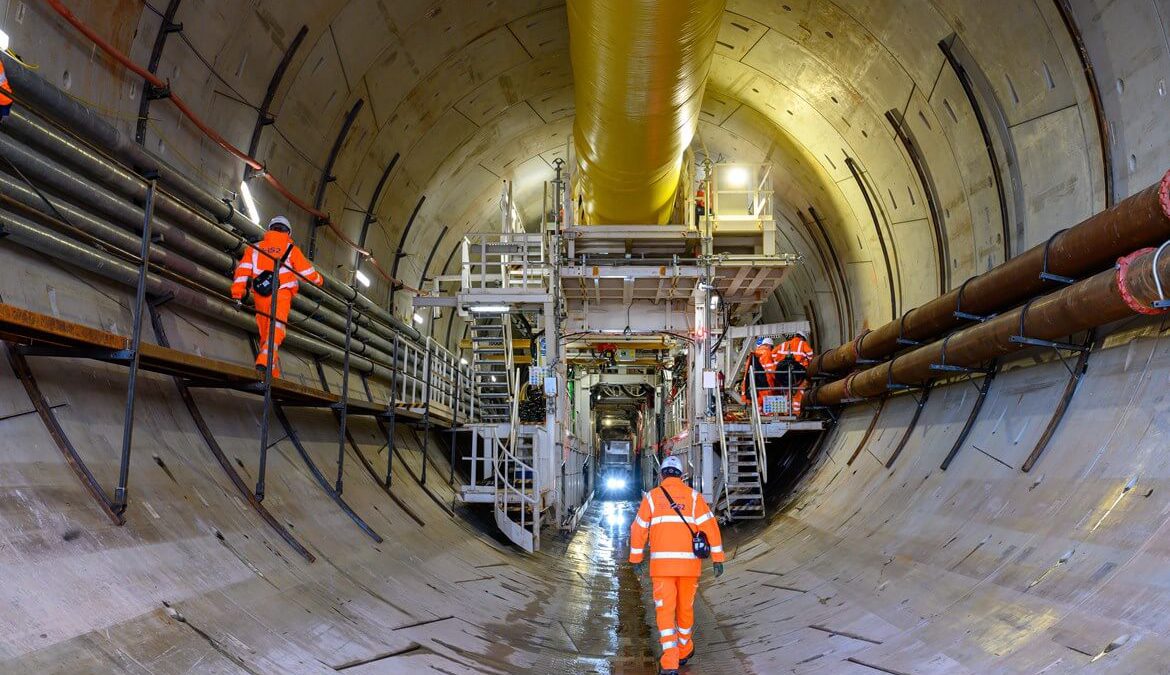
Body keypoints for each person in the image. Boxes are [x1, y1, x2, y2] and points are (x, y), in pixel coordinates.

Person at [630, 456, 725, 675]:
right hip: (690, 568)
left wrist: (636, 559)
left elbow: (638, 529)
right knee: (685, 609)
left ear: (661, 475)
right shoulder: (694, 498)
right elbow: (711, 528)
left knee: (665, 612)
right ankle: (685, 649)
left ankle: (670, 662)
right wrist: (718, 558)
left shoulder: (652, 498)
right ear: (682, 475)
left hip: (662, 569)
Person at [230, 216, 322, 378]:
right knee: (276, 329)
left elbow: (242, 271)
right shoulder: (291, 249)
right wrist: (319, 280)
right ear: (288, 232)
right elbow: (307, 273)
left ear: (270, 229)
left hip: (260, 295)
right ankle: (265, 361)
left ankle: (271, 372)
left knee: (266, 331)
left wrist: (237, 293)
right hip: (281, 294)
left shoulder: (255, 248)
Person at [740, 336, 775, 410]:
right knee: (768, 408)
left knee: (758, 407)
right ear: (768, 345)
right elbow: (771, 371)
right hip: (766, 385)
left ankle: (759, 419)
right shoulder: (767, 353)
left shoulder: (755, 354)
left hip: (756, 385)